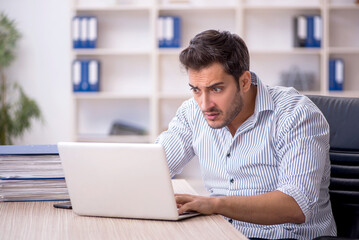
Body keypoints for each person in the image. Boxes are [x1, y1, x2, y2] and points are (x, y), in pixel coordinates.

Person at [155, 29, 336, 239]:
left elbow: (295, 205)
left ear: (244, 82)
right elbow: (152, 167)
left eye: (216, 89)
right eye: (196, 90)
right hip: (224, 234)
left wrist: (214, 204)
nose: (204, 105)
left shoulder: (296, 114)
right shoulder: (192, 113)